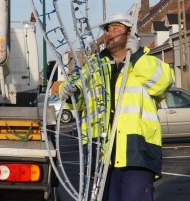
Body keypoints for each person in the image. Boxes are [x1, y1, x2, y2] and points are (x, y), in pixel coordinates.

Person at [59, 13, 174, 201]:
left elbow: (163, 83)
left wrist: (136, 55)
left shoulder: (145, 61)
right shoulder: (94, 67)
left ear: (129, 34)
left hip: (137, 153)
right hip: (102, 154)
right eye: (107, 29)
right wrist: (70, 92)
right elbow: (77, 91)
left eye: (115, 28)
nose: (109, 34)